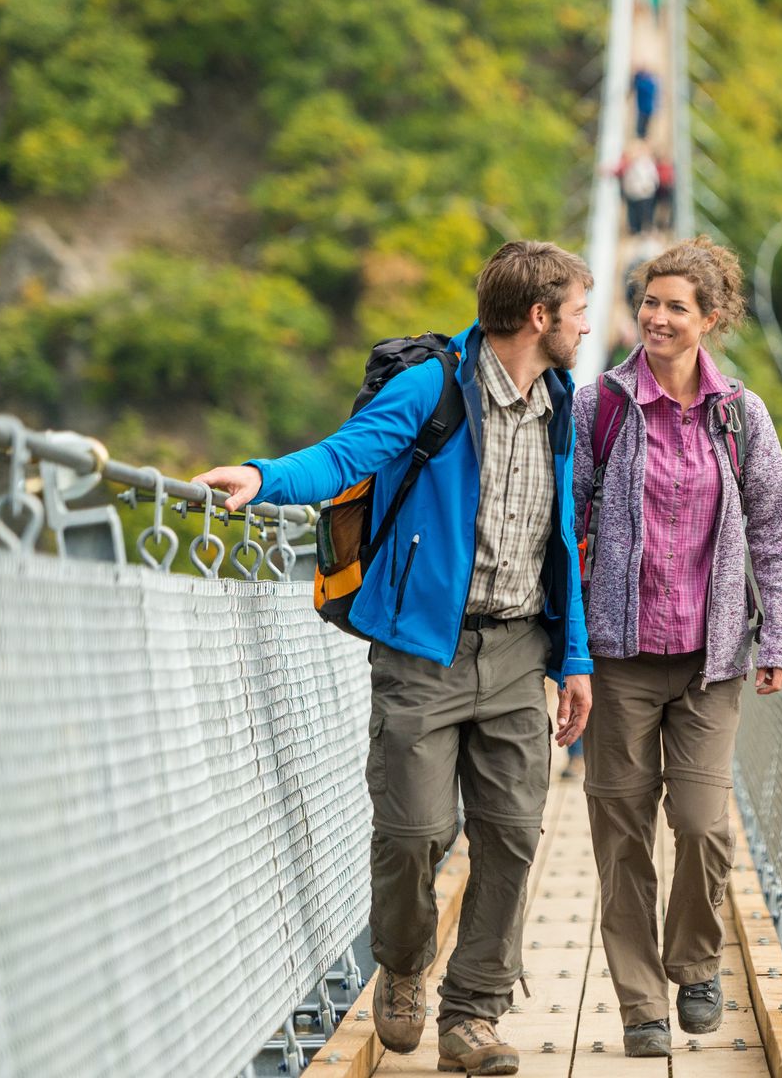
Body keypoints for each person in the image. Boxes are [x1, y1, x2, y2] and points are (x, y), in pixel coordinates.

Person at [194, 241, 596, 1078]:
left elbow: (565, 539)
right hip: (423, 650)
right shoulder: (434, 387)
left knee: (515, 833)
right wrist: (263, 478)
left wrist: (577, 657)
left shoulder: (564, 404)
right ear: (539, 317)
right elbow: (347, 455)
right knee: (415, 832)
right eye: (581, 312)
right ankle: (406, 966)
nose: (590, 328)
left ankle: (474, 1015)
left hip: (521, 646)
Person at [569, 236, 782, 1058]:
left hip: (711, 663)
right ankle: (640, 1004)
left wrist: (780, 633)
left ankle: (695, 966)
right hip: (620, 659)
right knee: (621, 832)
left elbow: (774, 529)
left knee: (701, 825)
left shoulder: (741, 415)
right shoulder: (599, 404)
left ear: (711, 320)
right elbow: (569, 527)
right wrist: (567, 648)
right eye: (649, 302)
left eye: (676, 306)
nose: (657, 318)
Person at [615, 144, 660, 237]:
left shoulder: (647, 163)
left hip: (645, 192)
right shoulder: (630, 163)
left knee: (645, 211)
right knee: (634, 212)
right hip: (634, 192)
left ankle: (645, 228)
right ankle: (635, 229)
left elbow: (653, 176)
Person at [632, 66, 658, 139]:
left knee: (642, 127)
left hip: (645, 109)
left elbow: (637, 85)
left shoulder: (644, 85)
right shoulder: (650, 84)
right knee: (643, 126)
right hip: (646, 108)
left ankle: (642, 137)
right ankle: (642, 137)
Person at [651, 152, 675, 233]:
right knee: (659, 209)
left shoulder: (670, 167)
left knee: (668, 208)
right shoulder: (658, 167)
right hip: (659, 190)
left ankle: (667, 224)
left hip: (667, 190)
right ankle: (660, 224)